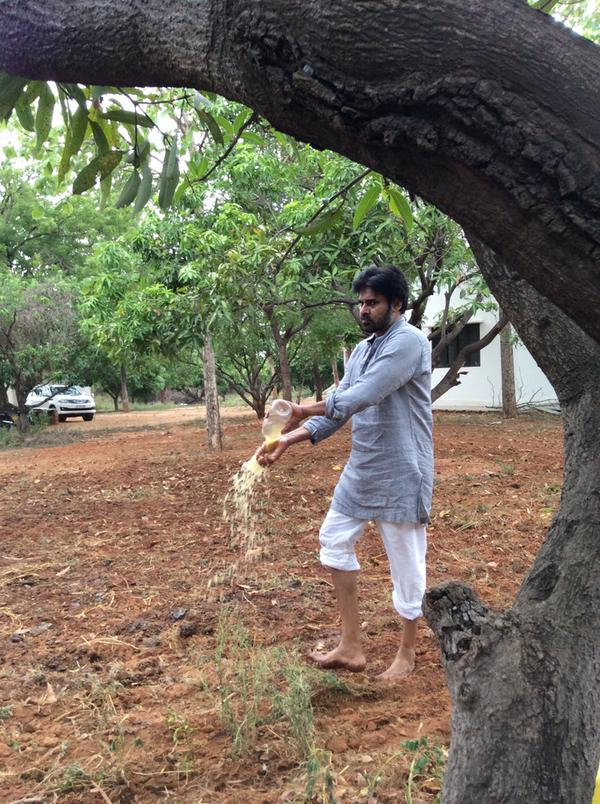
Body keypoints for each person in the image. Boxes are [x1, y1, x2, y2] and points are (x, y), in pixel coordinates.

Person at [256, 264, 433, 680]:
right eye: (361, 303)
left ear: (397, 304)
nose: (364, 310)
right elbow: (338, 408)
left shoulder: (408, 341)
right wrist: (288, 439)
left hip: (402, 470)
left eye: (372, 303)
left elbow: (363, 395)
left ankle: (406, 653)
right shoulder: (364, 350)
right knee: (333, 540)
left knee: (407, 564)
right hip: (363, 468)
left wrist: (302, 408)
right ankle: (351, 647)